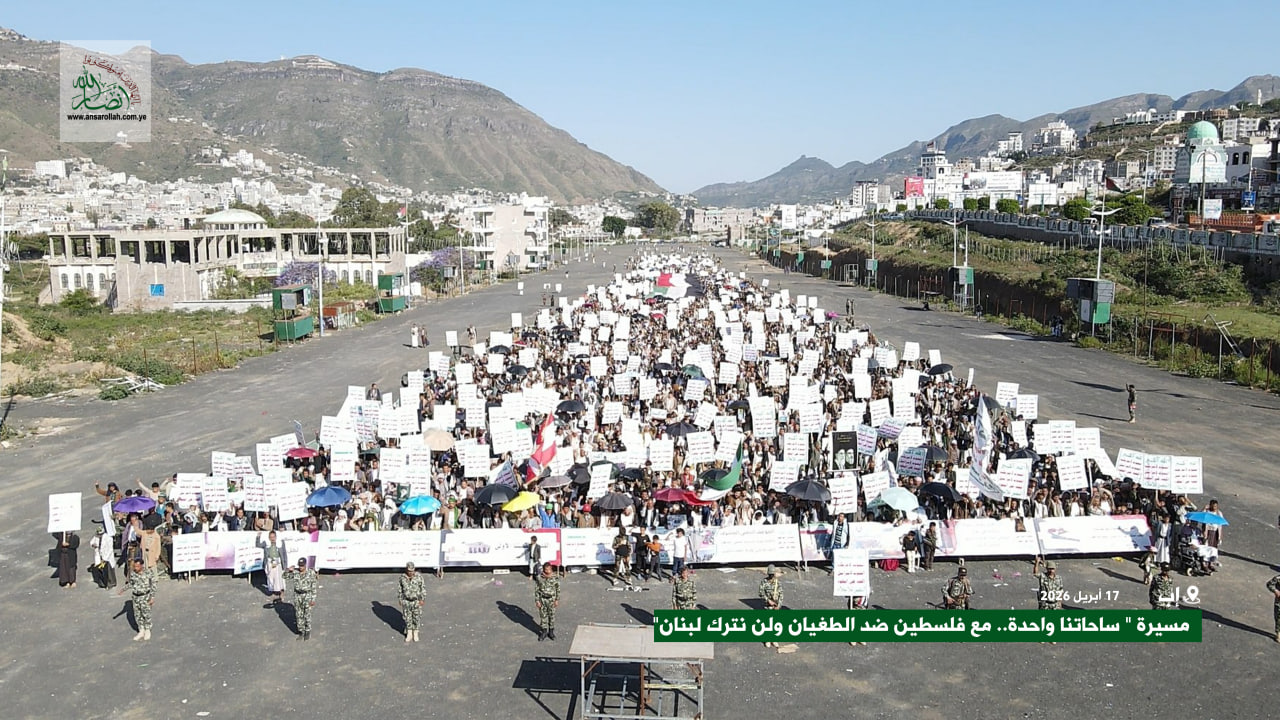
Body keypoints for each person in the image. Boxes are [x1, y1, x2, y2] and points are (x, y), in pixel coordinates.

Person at [118, 558, 155, 641]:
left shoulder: (148, 573)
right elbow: (131, 583)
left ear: (141, 566)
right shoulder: (133, 574)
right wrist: (123, 589)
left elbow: (153, 585)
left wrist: (152, 597)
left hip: (145, 596)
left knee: (146, 614)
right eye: (135, 566)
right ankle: (141, 630)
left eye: (137, 566)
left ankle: (147, 630)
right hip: (136, 597)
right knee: (138, 615)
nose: (136, 568)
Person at [286, 558, 319, 640]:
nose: (301, 567)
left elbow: (313, 587)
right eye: (299, 566)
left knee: (306, 614)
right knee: (298, 614)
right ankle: (301, 631)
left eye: (302, 566)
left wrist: (313, 599)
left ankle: (307, 631)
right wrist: (288, 570)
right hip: (297, 595)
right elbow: (285, 576)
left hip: (307, 595)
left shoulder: (310, 573)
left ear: (305, 565)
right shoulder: (296, 572)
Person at [258, 530, 287, 606]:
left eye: (273, 537)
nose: (272, 538)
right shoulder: (266, 544)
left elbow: (284, 554)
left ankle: (281, 593)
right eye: (271, 537)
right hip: (270, 562)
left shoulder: (281, 543)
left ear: (276, 537)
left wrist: (285, 565)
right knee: (271, 579)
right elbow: (258, 545)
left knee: (280, 579)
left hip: (278, 562)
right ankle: (274, 593)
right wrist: (258, 536)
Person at [399, 562, 426, 643]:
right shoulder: (402, 578)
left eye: (412, 570)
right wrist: (400, 599)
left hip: (416, 601)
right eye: (409, 571)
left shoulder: (419, 577)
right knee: (407, 617)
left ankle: (416, 632)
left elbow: (423, 588)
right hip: (406, 601)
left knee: (416, 617)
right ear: (406, 570)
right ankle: (409, 633)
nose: (411, 572)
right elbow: (400, 589)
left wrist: (422, 599)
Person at [533, 562, 560, 642]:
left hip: (551, 599)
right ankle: (544, 632)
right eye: (545, 569)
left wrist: (557, 600)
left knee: (551, 616)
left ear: (551, 569)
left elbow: (557, 589)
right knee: (543, 616)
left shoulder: (555, 577)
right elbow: (537, 589)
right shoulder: (539, 577)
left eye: (549, 569)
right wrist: (537, 600)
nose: (547, 571)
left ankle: (551, 632)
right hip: (543, 599)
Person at [758, 565, 783, 648]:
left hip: (776, 607)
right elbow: (761, 593)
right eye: (770, 574)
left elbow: (781, 595)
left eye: (772, 574)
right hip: (768, 606)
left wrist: (778, 605)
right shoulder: (764, 582)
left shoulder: (777, 583)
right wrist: (768, 600)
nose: (771, 576)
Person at [1266, 574, 1280, 644]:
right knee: (1278, 618)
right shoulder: (1278, 578)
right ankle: (1278, 634)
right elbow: (1269, 584)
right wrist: (1276, 591)